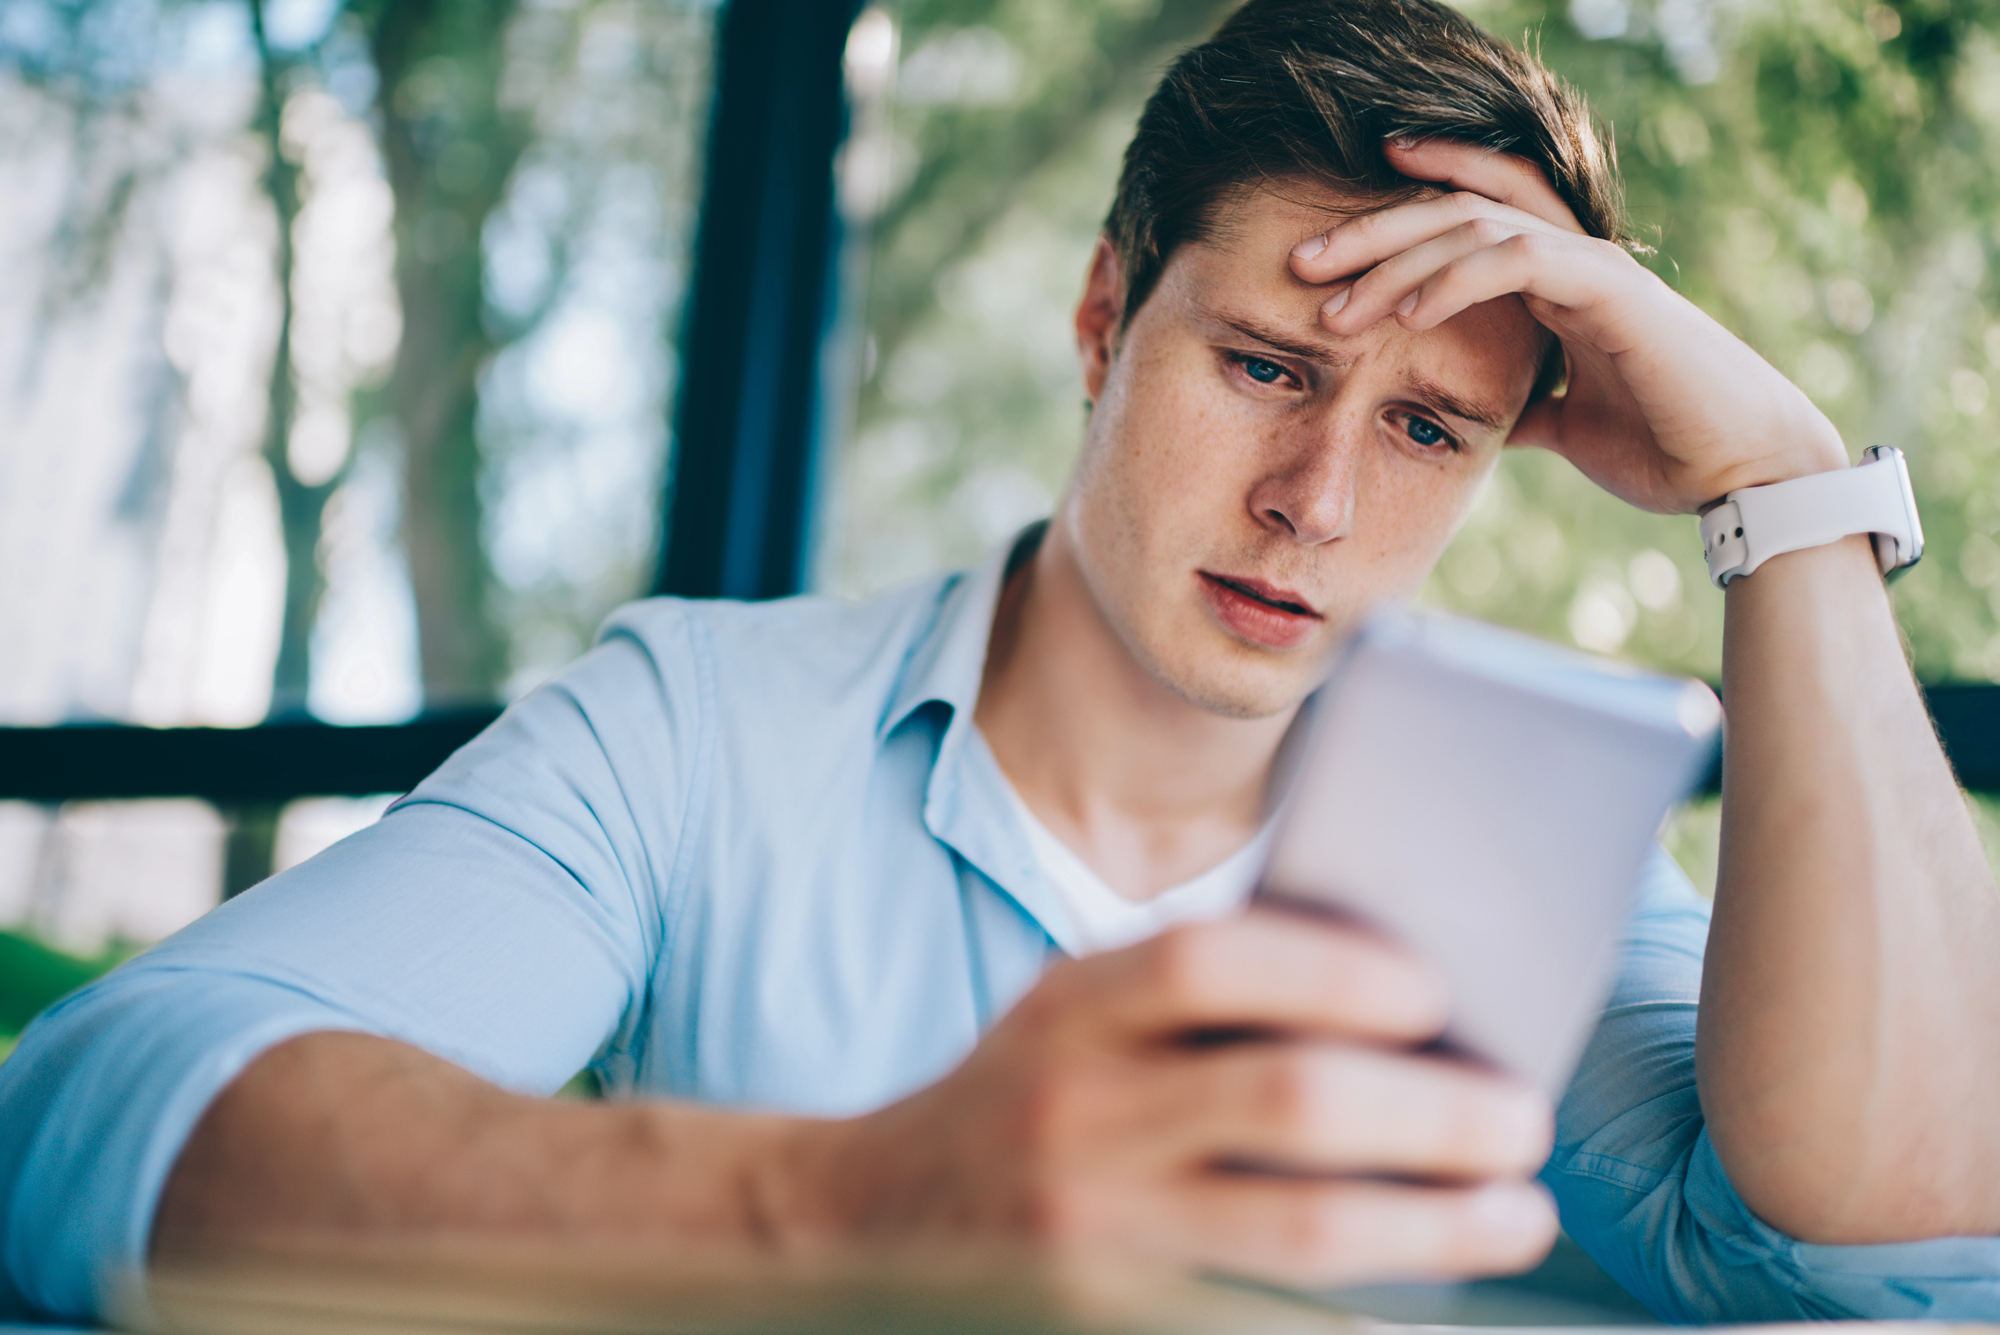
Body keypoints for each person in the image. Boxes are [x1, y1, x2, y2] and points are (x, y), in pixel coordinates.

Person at [7, 0, 2000, 1322]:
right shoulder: (703, 724)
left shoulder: (1508, 846)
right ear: (1102, 317)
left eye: (1422, 430)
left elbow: (1886, 1247)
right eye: (1262, 367)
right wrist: (853, 1205)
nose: (1316, 498)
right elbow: (100, 1105)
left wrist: (1790, 497)